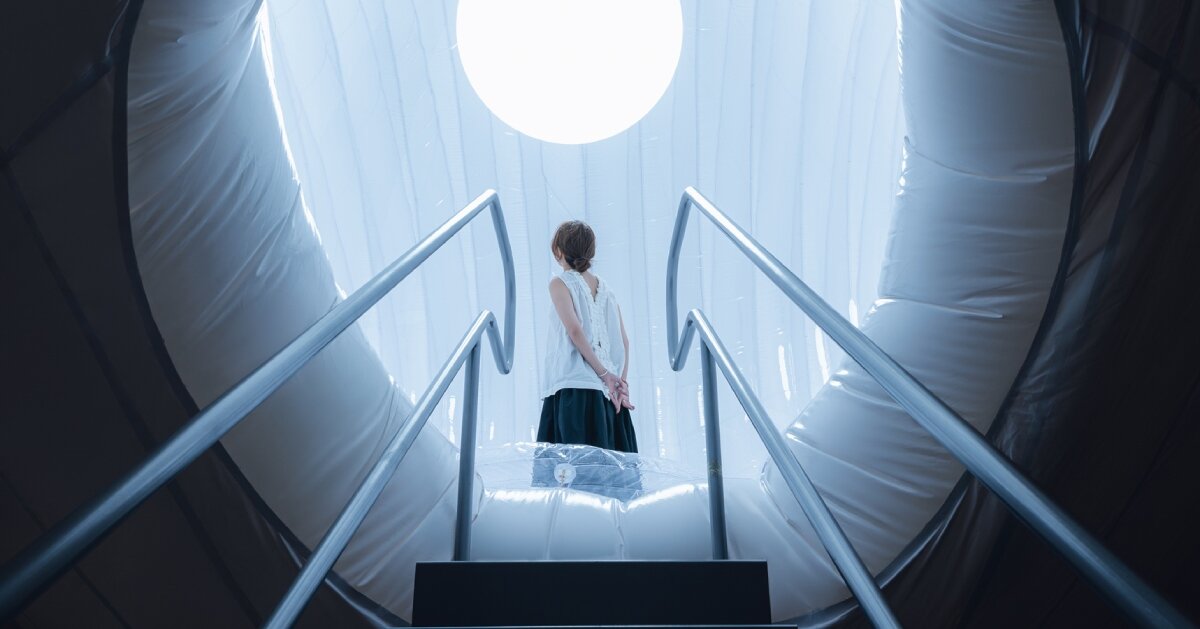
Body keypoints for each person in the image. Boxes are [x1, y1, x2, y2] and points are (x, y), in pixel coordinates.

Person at [537, 220, 637, 453]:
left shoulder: (560, 283)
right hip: (610, 396)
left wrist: (603, 374)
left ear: (558, 250)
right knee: (610, 470)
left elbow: (574, 330)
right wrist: (620, 385)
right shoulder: (607, 291)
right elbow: (625, 342)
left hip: (575, 386)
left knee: (569, 468)